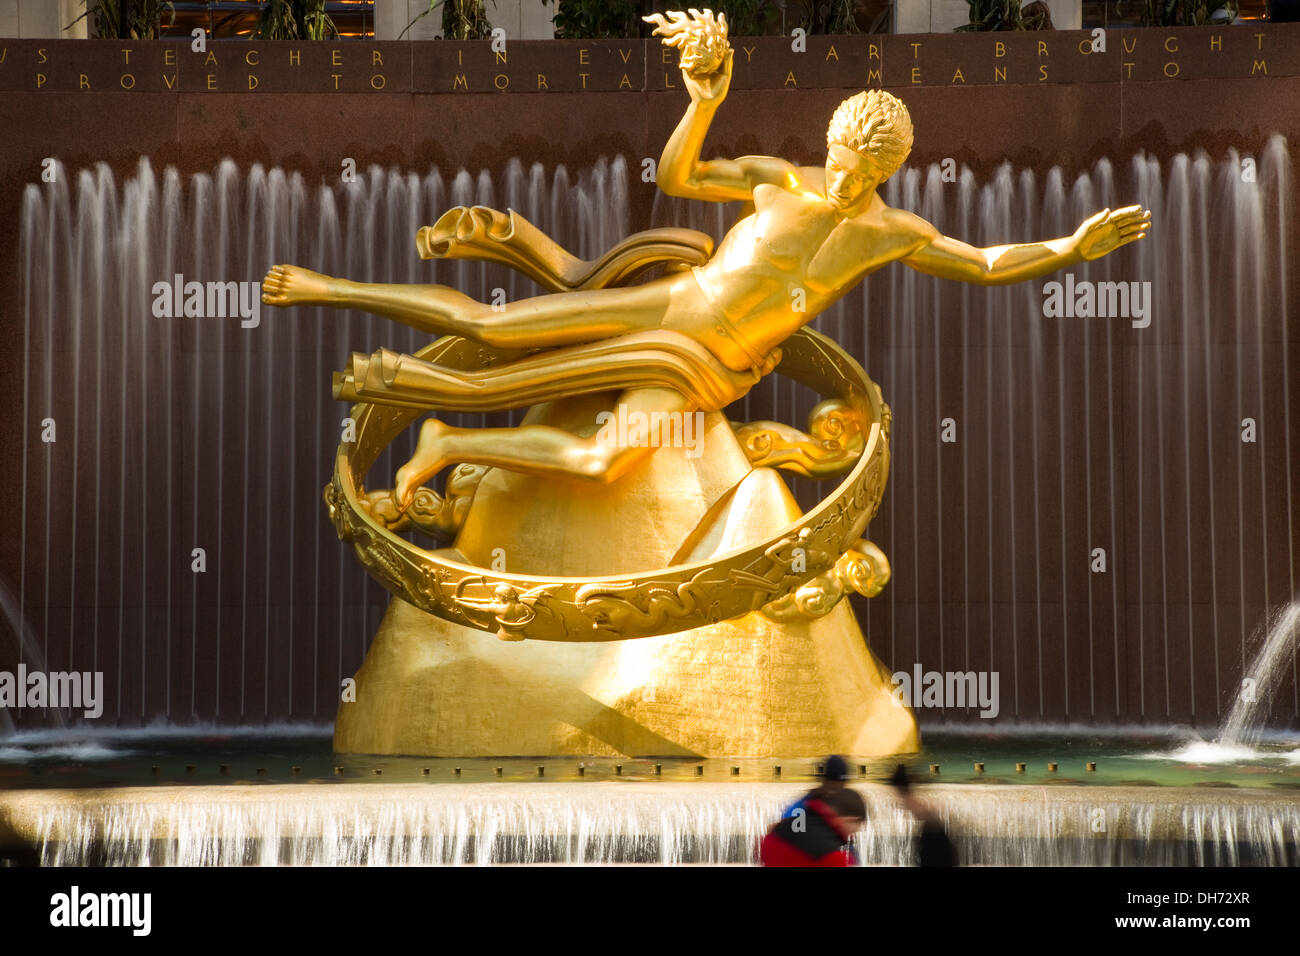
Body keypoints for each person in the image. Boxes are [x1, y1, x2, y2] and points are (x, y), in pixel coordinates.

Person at [262, 9, 1149, 507]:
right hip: (672, 309)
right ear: (829, 147)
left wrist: (1067, 246)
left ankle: (448, 438)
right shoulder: (779, 182)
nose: (844, 182)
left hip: (710, 373)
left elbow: (986, 264)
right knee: (498, 330)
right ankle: (329, 286)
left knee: (603, 464)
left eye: (863, 174)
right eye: (840, 163)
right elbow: (680, 172)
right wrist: (703, 98)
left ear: (887, 172)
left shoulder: (894, 233)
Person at [760, 785, 866, 867]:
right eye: (856, 827)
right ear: (849, 820)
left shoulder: (780, 829)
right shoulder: (834, 857)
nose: (854, 834)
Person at [890, 763, 956, 867]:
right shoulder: (910, 800)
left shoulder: (909, 800)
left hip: (934, 839)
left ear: (898, 788)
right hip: (936, 837)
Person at [780, 753, 850, 819]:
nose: (838, 791)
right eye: (834, 787)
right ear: (824, 781)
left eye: (842, 786)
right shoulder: (803, 806)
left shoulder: (843, 805)